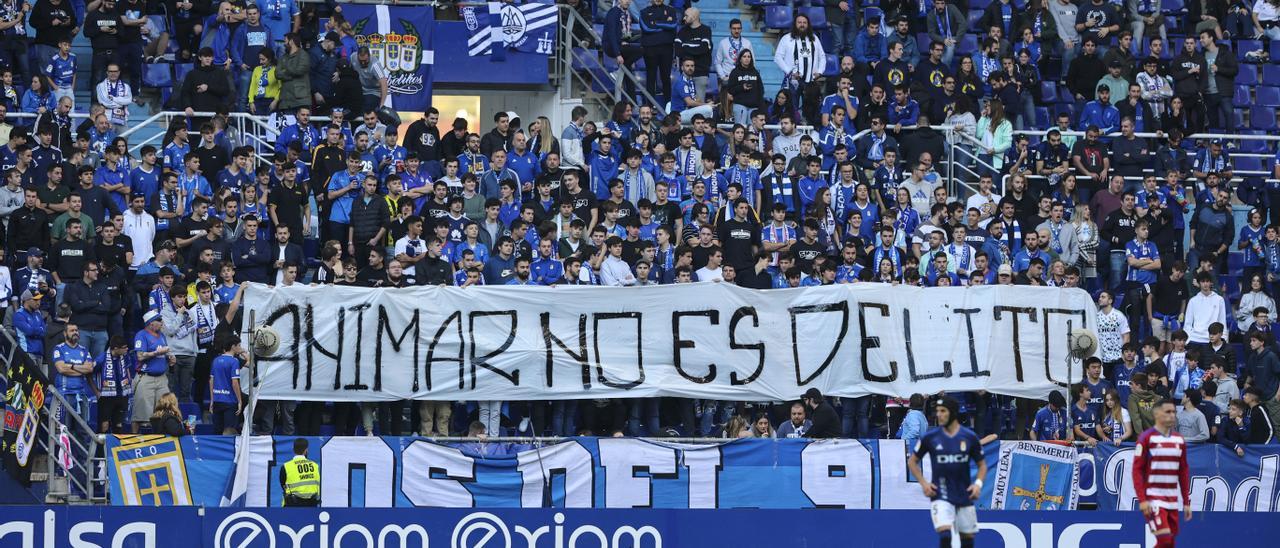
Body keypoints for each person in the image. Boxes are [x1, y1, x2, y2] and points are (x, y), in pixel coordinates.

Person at [907, 396, 986, 548]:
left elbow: (982, 465)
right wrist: (924, 484)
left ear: (953, 413)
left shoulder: (969, 437)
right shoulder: (930, 437)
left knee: (968, 540)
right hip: (940, 493)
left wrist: (978, 484)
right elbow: (912, 461)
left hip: (964, 494)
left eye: (943, 411)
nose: (939, 415)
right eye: (937, 411)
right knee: (944, 536)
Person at [1132, 398, 1193, 548]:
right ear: (1157, 414)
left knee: (1170, 543)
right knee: (1164, 540)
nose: (1172, 415)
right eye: (1168, 412)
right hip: (1153, 498)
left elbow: (1183, 471)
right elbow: (1137, 470)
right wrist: (1142, 499)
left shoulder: (1179, 440)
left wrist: (1186, 502)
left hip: (1172, 499)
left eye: (1174, 412)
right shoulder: (1146, 438)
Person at [210, 334, 246, 435]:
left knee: (217, 431)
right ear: (233, 347)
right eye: (238, 345)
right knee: (229, 432)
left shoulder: (216, 360)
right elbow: (235, 383)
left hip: (217, 400)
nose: (240, 347)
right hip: (230, 401)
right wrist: (239, 401)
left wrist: (212, 400)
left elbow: (211, 381)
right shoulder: (234, 361)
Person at [280, 438, 321, 507]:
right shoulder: (315, 465)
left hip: (292, 506)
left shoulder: (286, 466)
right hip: (311, 506)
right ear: (306, 450)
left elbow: (283, 485)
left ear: (293, 449)